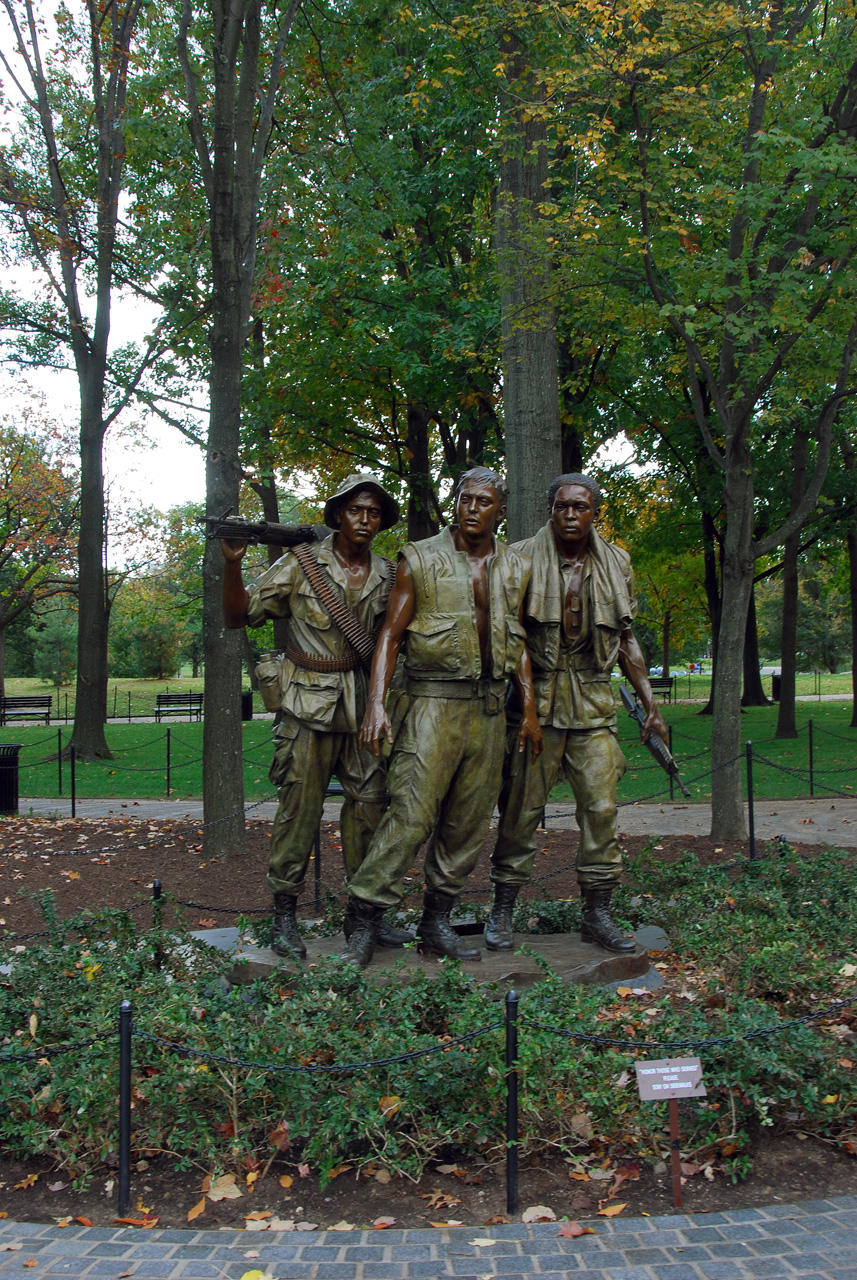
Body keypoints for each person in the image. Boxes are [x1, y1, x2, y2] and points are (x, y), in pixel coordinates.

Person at [339, 466, 543, 968]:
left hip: (491, 709)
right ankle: (364, 916)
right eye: (465, 499)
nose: (472, 508)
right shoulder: (421, 557)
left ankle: (436, 921)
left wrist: (531, 708)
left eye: (483, 502)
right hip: (432, 702)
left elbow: (515, 640)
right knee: (410, 815)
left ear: (501, 510)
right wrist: (378, 702)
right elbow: (390, 633)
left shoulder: (516, 565)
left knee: (467, 823)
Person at [220, 473, 410, 959]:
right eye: (355, 510)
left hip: (364, 704)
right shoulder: (301, 564)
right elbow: (239, 616)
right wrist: (234, 568)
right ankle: (285, 914)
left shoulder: (389, 574)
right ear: (337, 516)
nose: (365, 520)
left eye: (373, 513)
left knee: (370, 806)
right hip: (306, 704)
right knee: (298, 811)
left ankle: (364, 915)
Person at [487, 473, 668, 954]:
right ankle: (503, 908)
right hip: (537, 702)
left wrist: (650, 706)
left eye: (581, 508)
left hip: (592, 701)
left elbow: (627, 638)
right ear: (550, 509)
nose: (571, 515)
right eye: (563, 506)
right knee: (520, 812)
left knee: (602, 810)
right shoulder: (519, 556)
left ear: (594, 513)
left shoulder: (616, 562)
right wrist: (525, 707)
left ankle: (597, 913)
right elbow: (513, 638)